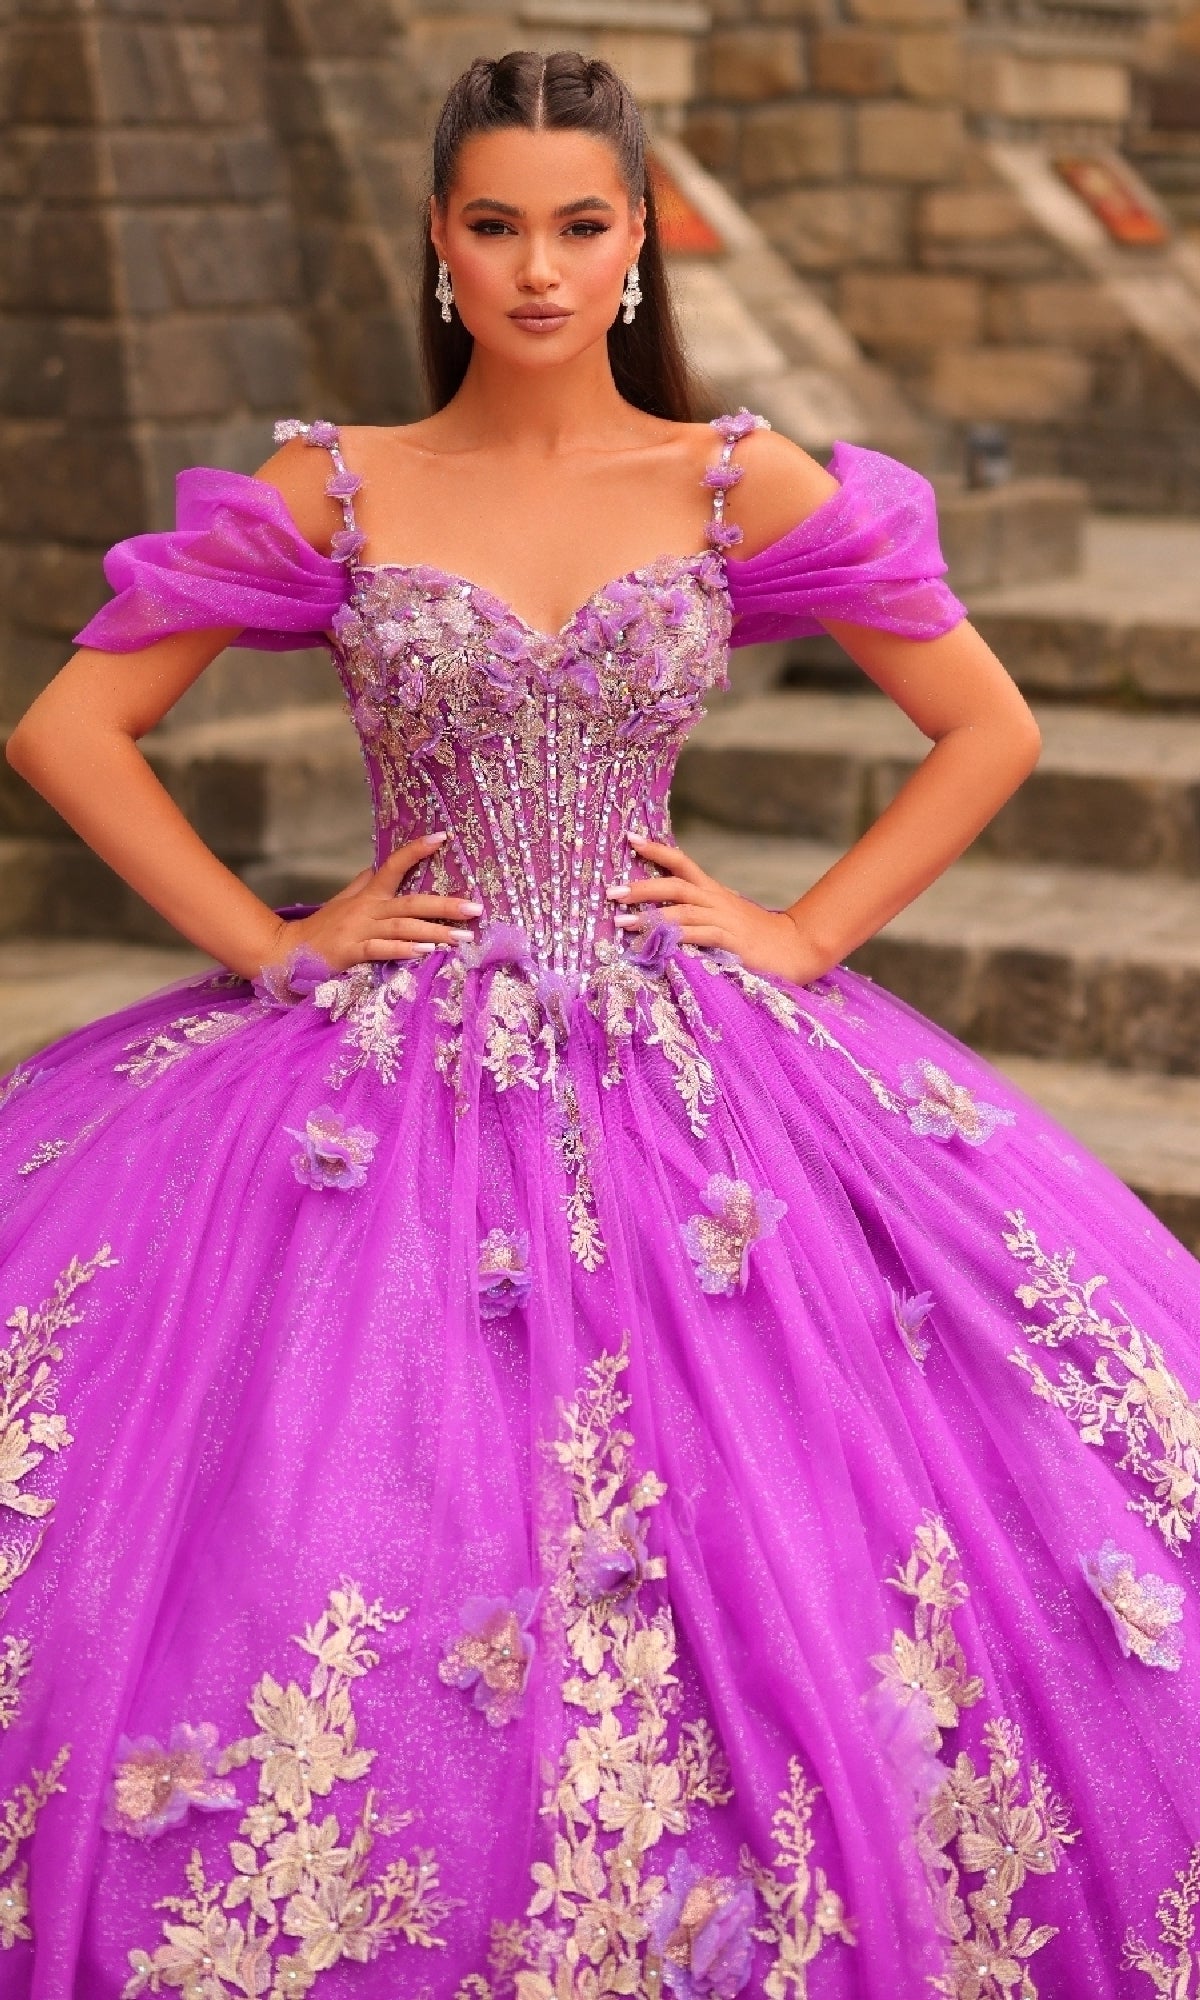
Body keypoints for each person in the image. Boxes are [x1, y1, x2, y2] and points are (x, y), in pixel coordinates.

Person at [0, 44, 1194, 2000]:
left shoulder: (734, 477)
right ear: (439, 244)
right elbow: (67, 729)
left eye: (578, 224)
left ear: (636, 244)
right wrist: (283, 941)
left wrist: (803, 936)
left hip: (697, 1066)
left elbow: (988, 727)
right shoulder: (344, 477)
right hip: (378, 1069)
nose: (537, 267)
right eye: (494, 225)